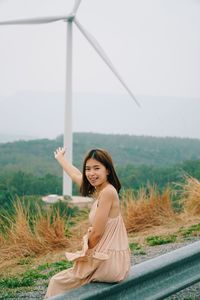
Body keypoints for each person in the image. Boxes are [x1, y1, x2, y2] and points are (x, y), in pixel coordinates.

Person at [44, 147, 130, 299]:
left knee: (57, 283)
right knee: (64, 281)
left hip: (107, 261)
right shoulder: (100, 190)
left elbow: (97, 233)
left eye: (97, 168)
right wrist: (61, 158)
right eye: (88, 169)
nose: (91, 173)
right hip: (109, 257)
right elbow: (76, 174)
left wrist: (84, 254)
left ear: (108, 170)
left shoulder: (108, 192)